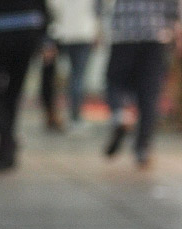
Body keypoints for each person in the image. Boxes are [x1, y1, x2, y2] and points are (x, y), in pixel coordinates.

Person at [0, 0, 49, 173]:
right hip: (25, 32)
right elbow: (41, 6)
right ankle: (7, 147)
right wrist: (45, 38)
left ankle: (6, 140)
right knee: (12, 93)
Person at [103, 0, 182, 168]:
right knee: (149, 94)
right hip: (156, 38)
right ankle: (142, 148)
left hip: (123, 35)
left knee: (115, 83)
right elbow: (174, 7)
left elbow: (99, 6)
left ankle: (120, 115)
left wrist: (102, 24)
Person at [40, 0, 102, 131]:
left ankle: (53, 114)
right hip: (82, 32)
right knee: (77, 77)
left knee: (52, 76)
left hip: (61, 32)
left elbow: (51, 8)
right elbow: (97, 10)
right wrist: (97, 31)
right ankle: (74, 117)